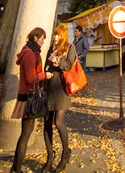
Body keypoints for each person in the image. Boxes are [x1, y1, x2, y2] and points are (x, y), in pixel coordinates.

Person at [11, 27, 51, 173]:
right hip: (29, 96)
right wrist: (43, 75)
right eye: (41, 39)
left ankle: (15, 167)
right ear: (35, 38)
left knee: (26, 133)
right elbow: (30, 78)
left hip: (26, 95)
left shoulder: (29, 52)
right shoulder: (29, 54)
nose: (42, 42)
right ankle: (17, 169)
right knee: (25, 134)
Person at [42, 24, 76, 173]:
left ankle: (65, 153)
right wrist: (46, 72)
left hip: (61, 89)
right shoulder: (51, 48)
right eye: (54, 34)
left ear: (63, 36)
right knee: (47, 123)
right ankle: (49, 157)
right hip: (49, 88)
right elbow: (46, 66)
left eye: (58, 35)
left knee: (58, 122)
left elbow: (69, 65)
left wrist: (58, 62)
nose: (55, 37)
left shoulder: (69, 47)